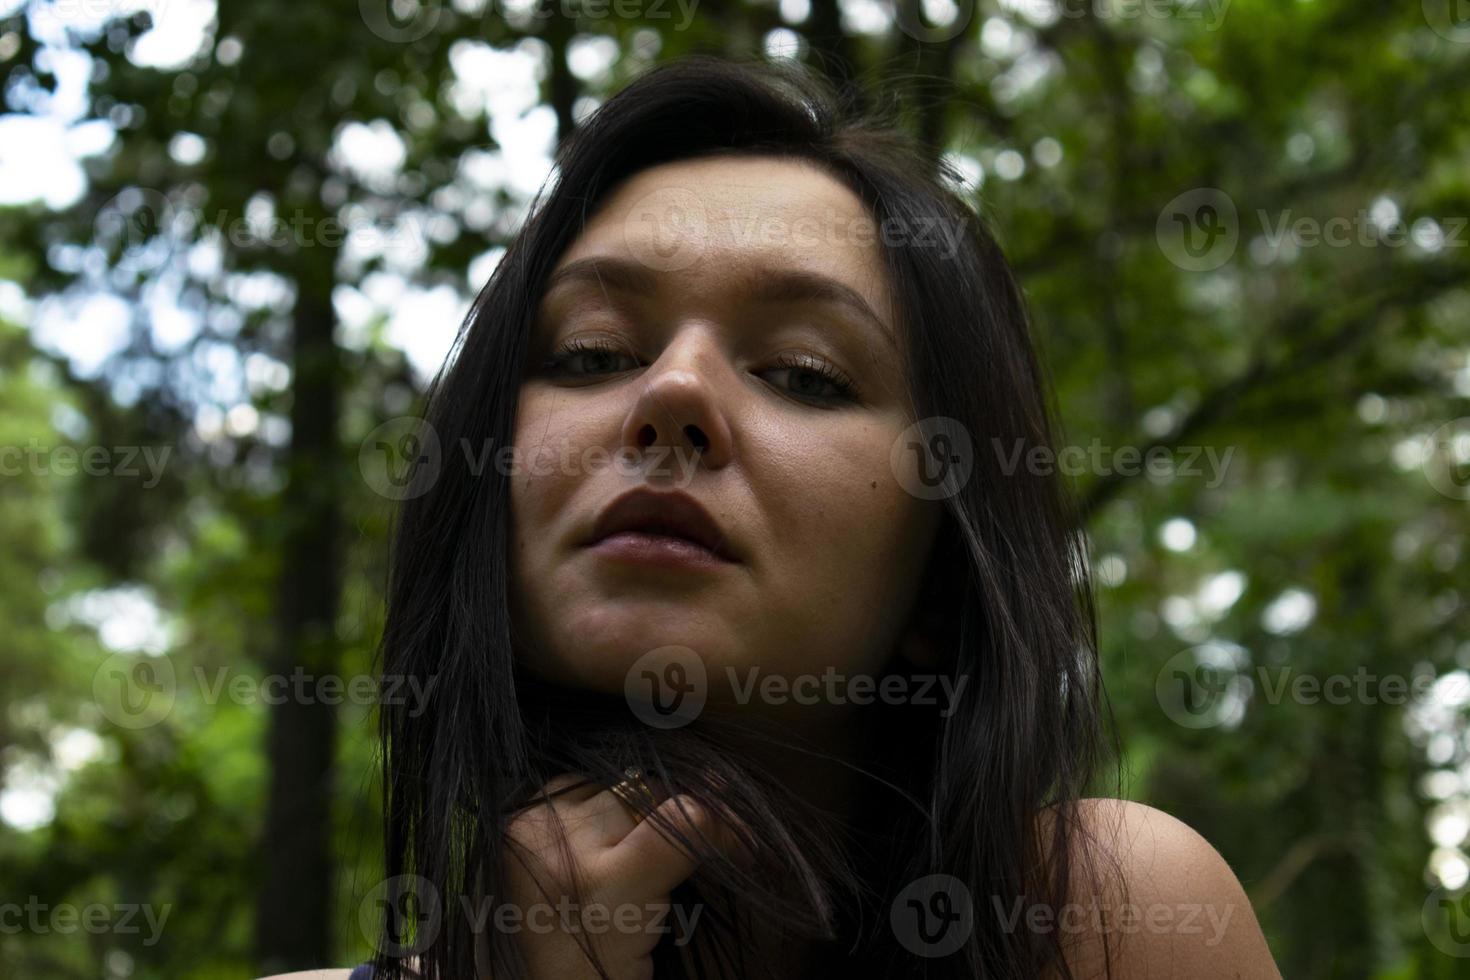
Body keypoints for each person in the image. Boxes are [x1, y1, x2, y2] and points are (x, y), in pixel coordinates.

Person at [280, 53, 1280, 980]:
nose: (672, 391)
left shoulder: (1102, 925)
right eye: (592, 351)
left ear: (941, 576)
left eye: (804, 373)